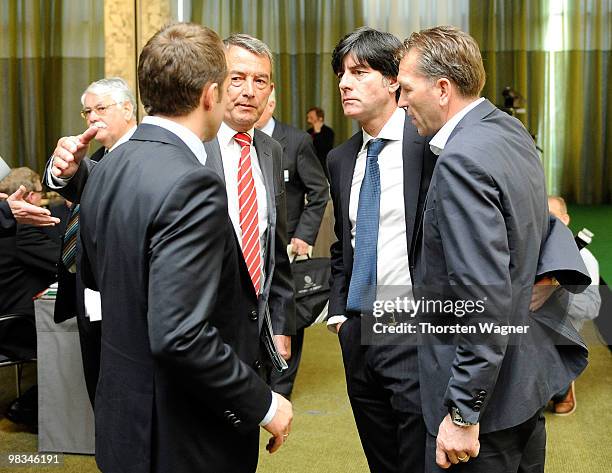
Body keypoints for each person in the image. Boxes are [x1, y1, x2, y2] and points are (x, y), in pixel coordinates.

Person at [57, 23, 292, 473]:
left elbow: (104, 280)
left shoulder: (111, 164)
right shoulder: (191, 182)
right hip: (181, 426)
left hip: (125, 412)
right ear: (210, 94)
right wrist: (263, 404)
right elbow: (180, 335)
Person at [398, 26, 589, 472]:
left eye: (406, 89)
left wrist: (464, 412)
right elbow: (544, 228)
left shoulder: (462, 160)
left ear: (443, 89)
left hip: (482, 407)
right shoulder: (509, 129)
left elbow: (480, 300)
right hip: (523, 384)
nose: (401, 102)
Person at [326, 27, 436, 473]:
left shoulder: (430, 146)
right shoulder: (341, 158)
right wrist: (340, 311)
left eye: (359, 72)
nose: (344, 84)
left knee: (419, 457)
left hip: (413, 324)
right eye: (341, 74)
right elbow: (343, 245)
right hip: (358, 330)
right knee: (381, 459)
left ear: (394, 81)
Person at [43, 77, 138, 407]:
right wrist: (62, 172)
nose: (93, 117)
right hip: (89, 290)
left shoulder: (144, 155)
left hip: (127, 296)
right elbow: (65, 177)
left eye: (101, 108)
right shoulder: (97, 155)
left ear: (128, 108)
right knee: (99, 382)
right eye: (87, 111)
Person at [202, 33, 296, 367]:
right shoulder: (194, 147)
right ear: (215, 84)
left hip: (256, 328)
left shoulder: (271, 152)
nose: (249, 91)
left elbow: (275, 246)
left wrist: (281, 322)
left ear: (270, 91)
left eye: (260, 81)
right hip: (201, 328)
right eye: (237, 78)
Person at [255, 88, 329, 398]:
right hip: (251, 245)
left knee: (288, 313)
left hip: (287, 247)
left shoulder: (296, 141)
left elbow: (319, 190)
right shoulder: (236, 140)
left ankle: (281, 388)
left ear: (271, 103)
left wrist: (304, 235)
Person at [0, 167, 61, 428]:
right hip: (17, 324)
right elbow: (60, 262)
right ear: (30, 197)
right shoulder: (22, 231)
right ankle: (31, 406)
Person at [547, 196, 601, 415]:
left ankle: (564, 387)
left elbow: (591, 306)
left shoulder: (584, 258)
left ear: (565, 219)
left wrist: (554, 294)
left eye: (551, 217)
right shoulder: (528, 250)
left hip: (562, 327)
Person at [306, 106, 334, 177]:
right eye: (308, 118)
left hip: (323, 167)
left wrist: (318, 133)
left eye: (311, 118)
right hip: (310, 166)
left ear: (320, 118)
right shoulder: (308, 132)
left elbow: (324, 148)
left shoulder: (328, 132)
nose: (308, 121)